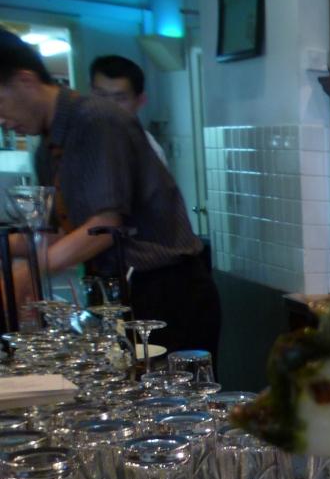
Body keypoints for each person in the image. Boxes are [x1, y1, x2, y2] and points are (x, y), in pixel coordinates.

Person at [0, 30, 220, 362]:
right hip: (117, 292)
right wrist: (13, 250)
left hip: (164, 290)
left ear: (25, 81)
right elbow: (65, 233)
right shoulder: (48, 147)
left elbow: (104, 227)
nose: (2, 121)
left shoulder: (96, 120)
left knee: (170, 392)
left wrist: (26, 273)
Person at [90, 54, 167, 167]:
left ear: (140, 101)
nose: (108, 106)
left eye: (120, 98)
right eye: (101, 95)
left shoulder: (149, 152)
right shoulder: (73, 139)